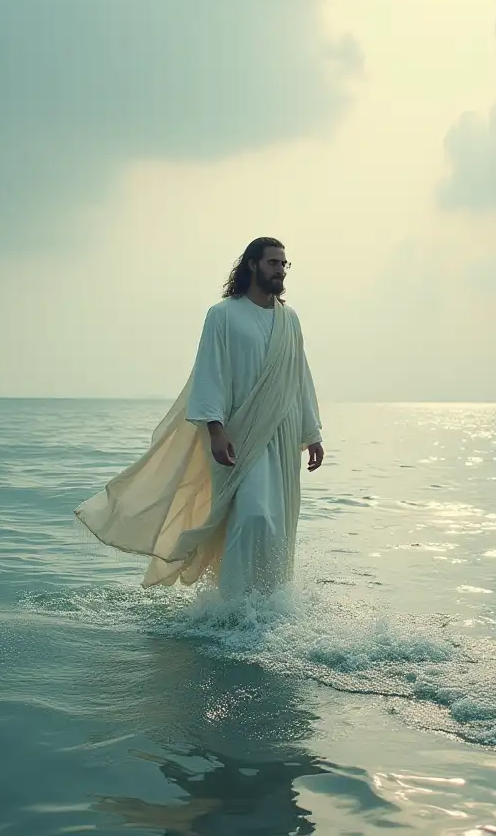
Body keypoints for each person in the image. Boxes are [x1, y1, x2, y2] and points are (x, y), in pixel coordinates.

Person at [74, 237, 323, 601]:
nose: (280, 271)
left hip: (283, 434)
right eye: (273, 263)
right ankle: (234, 602)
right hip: (239, 434)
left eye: (284, 264)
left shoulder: (290, 320)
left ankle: (269, 604)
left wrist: (312, 432)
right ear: (252, 265)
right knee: (251, 516)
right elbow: (211, 375)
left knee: (277, 527)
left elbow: (299, 376)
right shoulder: (223, 315)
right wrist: (215, 431)